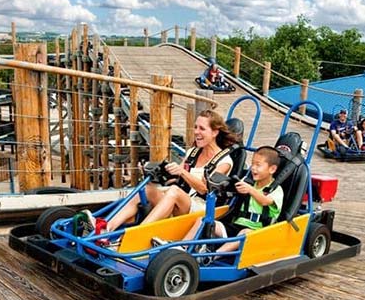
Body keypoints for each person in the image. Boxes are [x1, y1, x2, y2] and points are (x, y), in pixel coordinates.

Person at [105, 109, 237, 232]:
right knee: (147, 189)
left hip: (203, 208)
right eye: (195, 127)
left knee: (174, 191)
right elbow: (179, 177)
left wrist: (182, 172)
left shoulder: (225, 161)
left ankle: (138, 232)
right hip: (182, 202)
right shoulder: (193, 152)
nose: (196, 132)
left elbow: (205, 189)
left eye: (202, 128)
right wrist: (166, 171)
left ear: (215, 132)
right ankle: (106, 227)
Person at [179, 146, 284, 256]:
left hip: (259, 231)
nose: (253, 168)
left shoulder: (276, 190)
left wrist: (249, 189)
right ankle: (181, 247)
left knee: (245, 233)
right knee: (203, 220)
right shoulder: (248, 182)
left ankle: (212, 256)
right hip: (236, 225)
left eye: (258, 165)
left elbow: (265, 201)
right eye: (252, 164)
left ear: (272, 169)